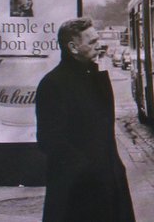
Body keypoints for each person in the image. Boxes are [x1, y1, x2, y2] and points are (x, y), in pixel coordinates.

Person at [35, 17, 135, 222]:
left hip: (107, 183)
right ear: (72, 47)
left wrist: (114, 169)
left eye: (97, 40)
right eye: (91, 42)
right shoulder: (53, 84)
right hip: (78, 192)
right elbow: (50, 140)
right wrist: (87, 170)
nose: (99, 45)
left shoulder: (93, 78)